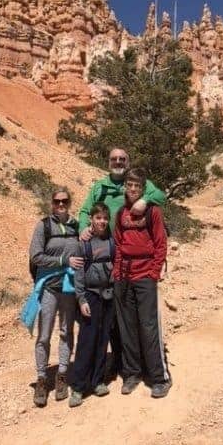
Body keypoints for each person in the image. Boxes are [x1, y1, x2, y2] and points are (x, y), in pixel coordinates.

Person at [79, 147, 166, 378]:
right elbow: (85, 210)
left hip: (139, 263)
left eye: (122, 159)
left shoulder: (138, 184)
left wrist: (145, 199)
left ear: (128, 162)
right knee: (117, 316)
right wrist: (83, 230)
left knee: (143, 320)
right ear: (108, 162)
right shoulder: (99, 187)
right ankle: (121, 363)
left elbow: (161, 196)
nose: (118, 162)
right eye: (114, 159)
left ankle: (152, 369)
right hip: (109, 257)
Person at [113, 167, 171, 399]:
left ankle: (159, 377)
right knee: (127, 326)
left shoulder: (153, 211)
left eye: (137, 185)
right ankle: (132, 374)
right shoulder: (121, 213)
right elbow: (118, 243)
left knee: (148, 326)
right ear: (125, 186)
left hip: (145, 274)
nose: (133, 189)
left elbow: (160, 243)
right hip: (124, 276)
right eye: (130, 184)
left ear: (143, 188)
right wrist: (117, 273)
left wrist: (154, 272)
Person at [28, 188, 83, 407]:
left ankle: (62, 375)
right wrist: (63, 261)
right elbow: (36, 256)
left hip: (69, 288)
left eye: (65, 201)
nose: (61, 204)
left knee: (66, 331)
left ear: (70, 203)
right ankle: (42, 378)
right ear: (51, 203)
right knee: (44, 334)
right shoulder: (43, 226)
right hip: (50, 287)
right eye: (57, 201)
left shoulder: (76, 225)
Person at [69, 203, 115, 407]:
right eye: (98, 218)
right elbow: (78, 274)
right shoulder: (83, 244)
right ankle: (78, 387)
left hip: (108, 295)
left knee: (103, 339)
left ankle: (97, 381)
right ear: (91, 220)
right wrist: (81, 299)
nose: (102, 222)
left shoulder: (112, 242)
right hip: (90, 295)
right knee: (87, 340)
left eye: (105, 218)